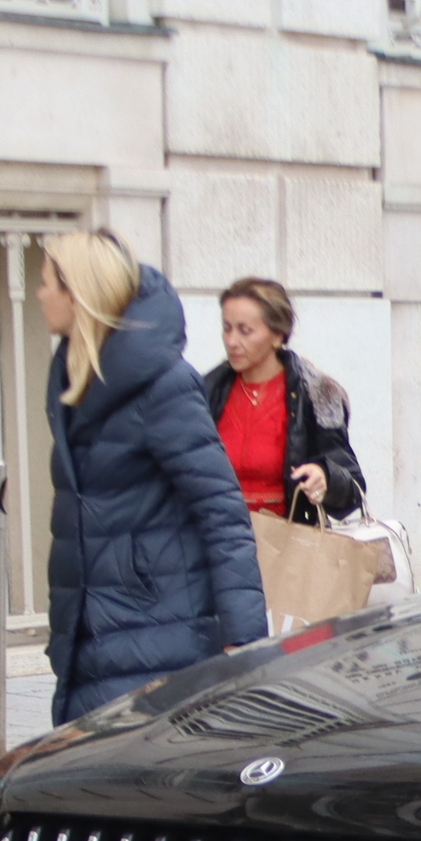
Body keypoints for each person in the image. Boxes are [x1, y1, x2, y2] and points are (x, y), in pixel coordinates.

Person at [37, 230, 265, 723]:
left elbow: (222, 512)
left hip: (156, 629)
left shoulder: (163, 384)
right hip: (90, 634)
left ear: (78, 293)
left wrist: (244, 638)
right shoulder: (73, 378)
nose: (39, 294)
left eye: (47, 283)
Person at [201, 277, 368, 526]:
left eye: (245, 331)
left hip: (287, 549)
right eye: (227, 328)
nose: (232, 341)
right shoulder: (206, 390)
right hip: (217, 544)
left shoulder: (316, 392)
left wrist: (325, 476)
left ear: (277, 335)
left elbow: (353, 488)